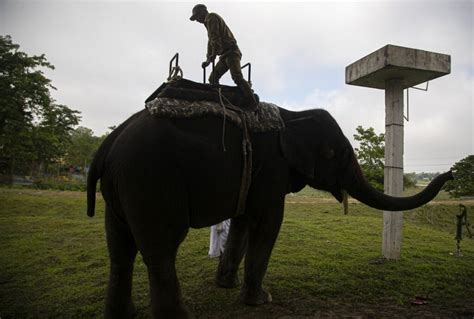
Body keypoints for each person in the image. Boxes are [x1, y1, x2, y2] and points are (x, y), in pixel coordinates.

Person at [190, 4, 258, 110]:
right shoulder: (208, 24)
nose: (197, 20)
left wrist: (213, 55)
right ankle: (219, 99)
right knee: (213, 78)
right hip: (224, 55)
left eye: (197, 17)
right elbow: (211, 41)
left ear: (203, 12)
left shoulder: (211, 18)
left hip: (232, 52)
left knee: (237, 77)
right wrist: (208, 59)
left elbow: (215, 38)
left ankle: (252, 102)